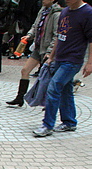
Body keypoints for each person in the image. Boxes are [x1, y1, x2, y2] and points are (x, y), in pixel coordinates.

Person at [32, 0, 92, 137]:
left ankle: (47, 125)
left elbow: (91, 40)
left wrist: (90, 63)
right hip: (59, 57)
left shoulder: (88, 13)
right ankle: (69, 122)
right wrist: (51, 56)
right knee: (66, 90)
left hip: (73, 60)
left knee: (53, 87)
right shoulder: (65, 11)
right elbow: (59, 36)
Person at [6, 0, 62, 107]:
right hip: (38, 48)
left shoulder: (57, 14)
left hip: (48, 51)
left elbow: (56, 35)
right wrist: (29, 35)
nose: (43, 0)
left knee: (47, 77)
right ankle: (20, 97)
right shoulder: (42, 10)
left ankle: (48, 102)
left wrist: (50, 52)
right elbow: (35, 26)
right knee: (25, 70)